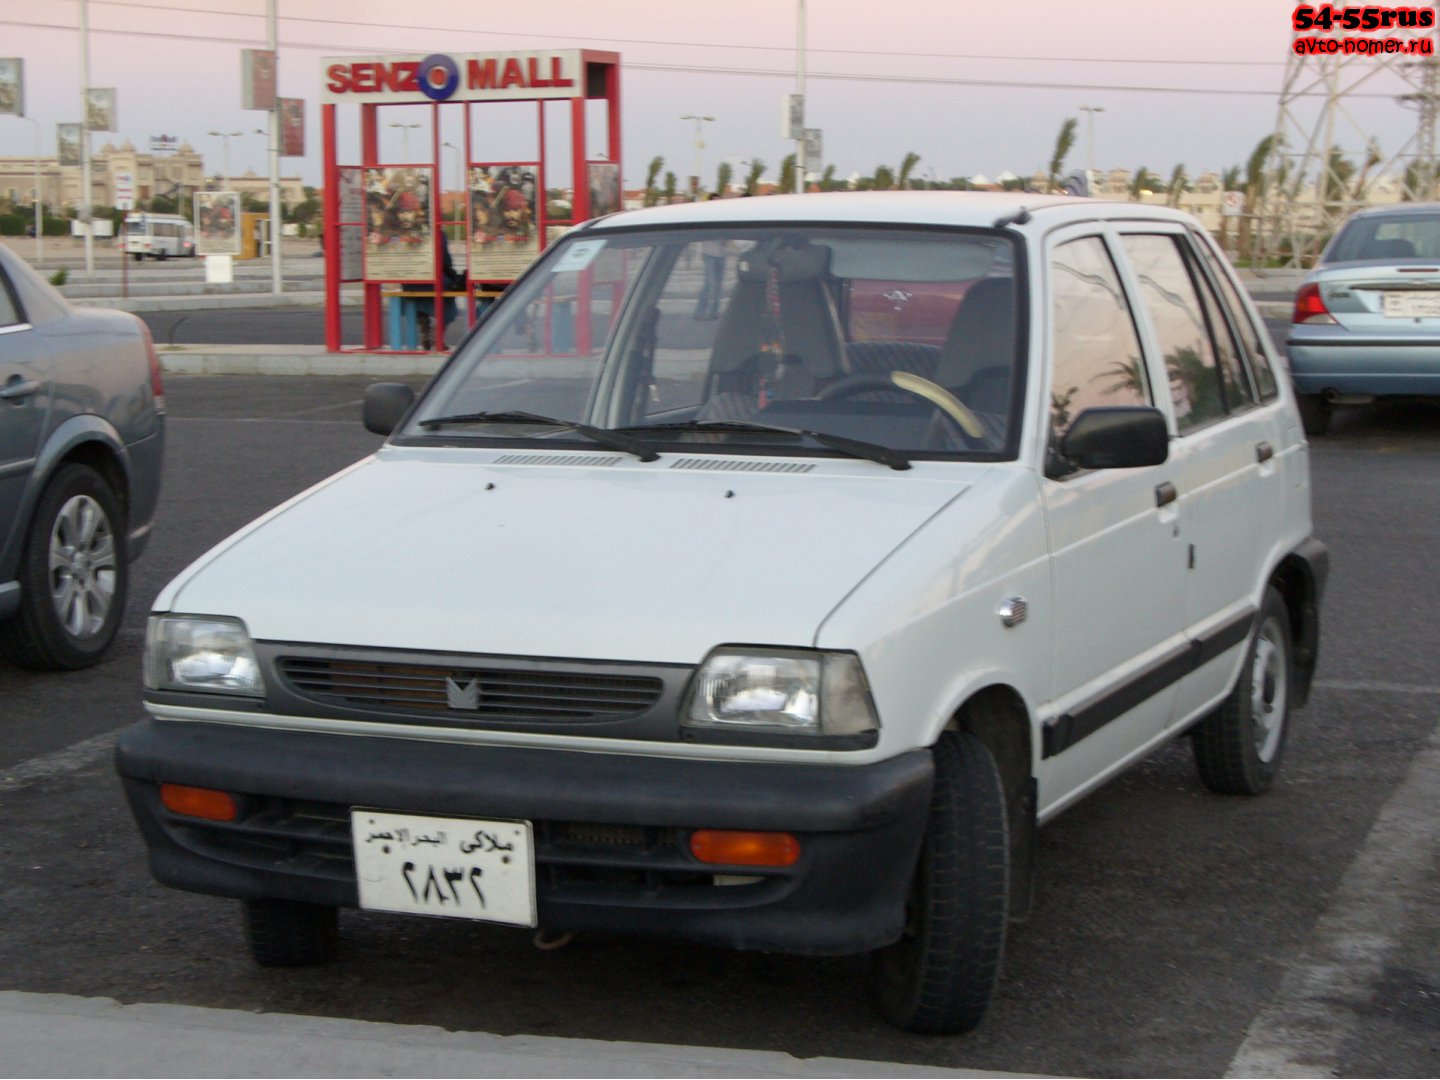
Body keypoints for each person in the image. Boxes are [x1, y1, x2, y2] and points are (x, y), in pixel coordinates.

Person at [694, 196, 726, 320]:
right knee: (710, 283)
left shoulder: (723, 217)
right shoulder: (706, 217)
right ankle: (700, 312)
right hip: (709, 254)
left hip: (721, 254)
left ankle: (714, 312)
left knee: (718, 285)